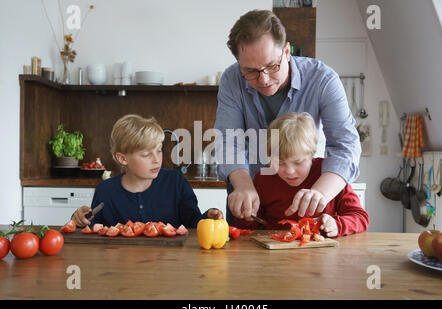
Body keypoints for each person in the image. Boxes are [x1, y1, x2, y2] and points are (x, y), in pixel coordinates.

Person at [214, 9, 361, 225]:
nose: (263, 79)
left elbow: (345, 144)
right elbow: (229, 140)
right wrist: (244, 185)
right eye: (251, 71)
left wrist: (319, 193)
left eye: (272, 66)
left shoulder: (322, 79)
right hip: (252, 190)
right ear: (239, 63)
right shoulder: (231, 79)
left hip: (310, 187)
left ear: (286, 51)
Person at [72, 114, 223, 228]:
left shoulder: (176, 182)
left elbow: (193, 224)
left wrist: (208, 218)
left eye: (159, 150)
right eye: (146, 154)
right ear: (123, 159)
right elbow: (92, 229)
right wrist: (79, 220)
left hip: (171, 264)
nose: (157, 159)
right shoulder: (105, 191)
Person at [233, 112, 369, 238]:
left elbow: (360, 217)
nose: (289, 171)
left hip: (324, 257)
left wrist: (337, 225)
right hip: (275, 256)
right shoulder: (263, 180)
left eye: (298, 162)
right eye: (280, 163)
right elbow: (249, 228)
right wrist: (245, 216)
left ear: (312, 153)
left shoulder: (331, 175)